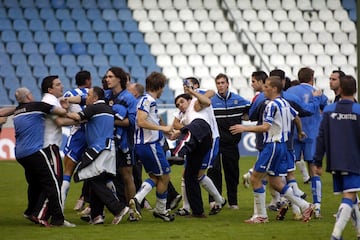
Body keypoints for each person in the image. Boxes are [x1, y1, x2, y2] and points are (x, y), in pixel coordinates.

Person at [229, 76, 314, 223]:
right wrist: (299, 132)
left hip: (272, 145)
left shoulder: (271, 105)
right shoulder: (285, 103)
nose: (264, 89)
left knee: (255, 178)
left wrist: (244, 128)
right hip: (282, 145)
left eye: (267, 86)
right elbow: (296, 117)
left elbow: (265, 127)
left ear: (274, 88)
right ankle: (305, 205)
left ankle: (261, 216)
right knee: (275, 182)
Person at [67, 86, 129, 225]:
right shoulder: (108, 109)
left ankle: (118, 208)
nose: (86, 97)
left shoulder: (94, 108)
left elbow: (77, 117)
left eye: (88, 95)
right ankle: (97, 215)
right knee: (96, 179)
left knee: (91, 177)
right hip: (109, 148)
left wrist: (63, 112)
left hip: (98, 148)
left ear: (95, 98)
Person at [13, 87, 74, 227]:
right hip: (34, 152)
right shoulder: (37, 106)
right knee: (53, 183)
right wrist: (66, 108)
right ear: (28, 97)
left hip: (20, 154)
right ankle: (57, 219)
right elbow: (61, 113)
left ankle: (31, 211)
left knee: (35, 184)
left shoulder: (17, 112)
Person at [313, 75, 360, 240]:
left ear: (339, 90)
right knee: (349, 197)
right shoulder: (358, 110)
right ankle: (336, 234)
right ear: (355, 90)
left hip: (335, 162)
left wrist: (317, 161)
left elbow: (321, 137)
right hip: (354, 161)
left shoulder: (328, 110)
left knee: (351, 196)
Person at [172, 77, 225, 216]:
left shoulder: (196, 99)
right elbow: (175, 123)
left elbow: (210, 95)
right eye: (178, 104)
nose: (180, 105)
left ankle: (177, 154)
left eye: (182, 102)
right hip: (197, 135)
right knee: (190, 175)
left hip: (208, 135)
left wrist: (193, 93)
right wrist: (184, 127)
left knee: (198, 174)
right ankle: (196, 209)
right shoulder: (185, 110)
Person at [129, 72, 175, 222]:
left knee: (155, 177)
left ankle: (137, 199)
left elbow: (151, 120)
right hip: (149, 145)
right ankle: (160, 210)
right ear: (159, 86)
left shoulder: (146, 100)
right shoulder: (148, 100)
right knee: (165, 176)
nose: (163, 91)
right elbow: (141, 121)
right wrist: (163, 129)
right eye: (163, 87)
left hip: (144, 145)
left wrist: (165, 131)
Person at [286, 67, 328, 218]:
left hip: (294, 134)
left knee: (290, 171)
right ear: (312, 77)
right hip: (313, 135)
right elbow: (327, 110)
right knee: (314, 169)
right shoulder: (318, 92)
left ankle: (296, 209)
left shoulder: (290, 92)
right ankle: (316, 207)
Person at [208, 73, 251, 209]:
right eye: (218, 83)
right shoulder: (210, 102)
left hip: (231, 143)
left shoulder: (239, 100)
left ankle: (233, 202)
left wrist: (243, 125)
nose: (220, 85)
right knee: (214, 171)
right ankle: (215, 200)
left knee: (232, 173)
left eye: (222, 83)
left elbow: (250, 112)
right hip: (215, 142)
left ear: (228, 84)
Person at [105, 67, 138, 219]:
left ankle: (132, 210)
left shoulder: (129, 98)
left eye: (110, 76)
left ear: (119, 79)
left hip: (124, 144)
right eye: (107, 77)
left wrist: (111, 119)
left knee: (127, 177)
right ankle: (105, 210)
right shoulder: (106, 95)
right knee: (103, 177)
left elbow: (131, 122)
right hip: (107, 143)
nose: (107, 79)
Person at [61, 70, 92, 210]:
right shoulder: (93, 94)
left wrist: (74, 118)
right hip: (93, 134)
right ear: (88, 81)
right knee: (95, 172)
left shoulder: (68, 95)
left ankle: (60, 206)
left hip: (77, 135)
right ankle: (87, 204)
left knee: (67, 172)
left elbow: (62, 114)